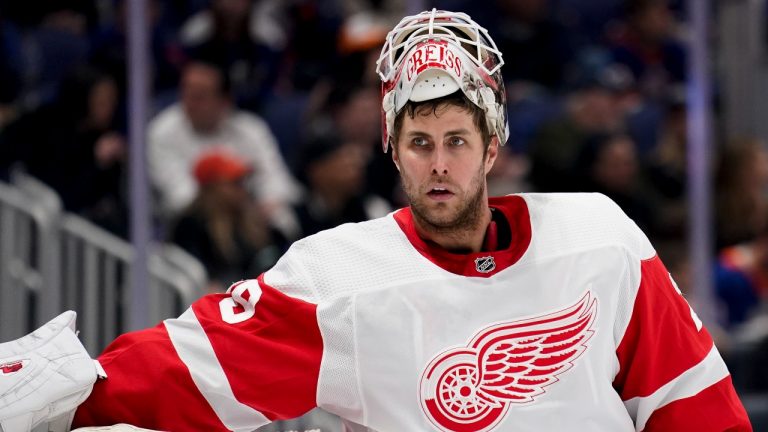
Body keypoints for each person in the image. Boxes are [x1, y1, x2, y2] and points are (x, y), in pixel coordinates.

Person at [0, 9, 752, 432]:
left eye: (457, 142)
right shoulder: (341, 283)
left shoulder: (600, 240)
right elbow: (190, 368)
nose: (439, 164)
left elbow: (694, 407)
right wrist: (80, 389)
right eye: (419, 144)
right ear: (392, 150)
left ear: (492, 146)